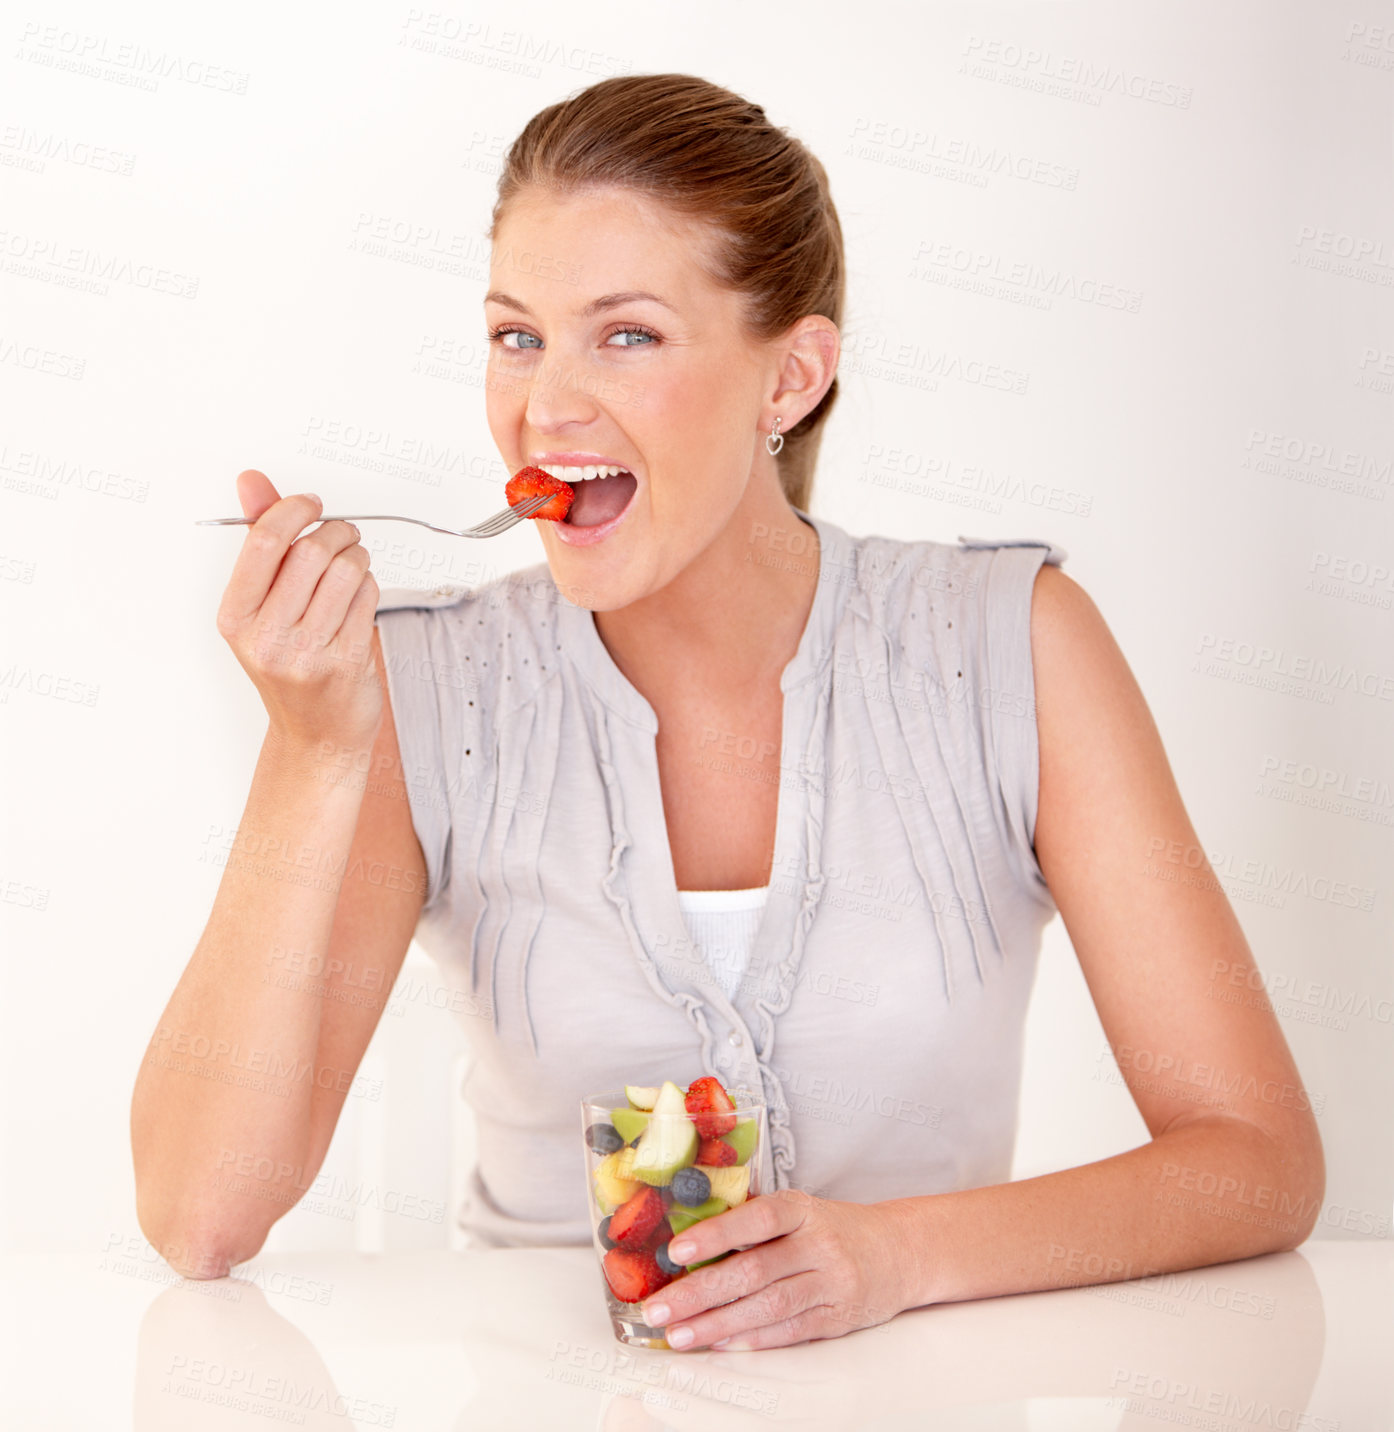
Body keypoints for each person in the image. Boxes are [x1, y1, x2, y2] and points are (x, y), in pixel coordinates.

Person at [131, 73, 1324, 1353]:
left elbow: (1251, 1158)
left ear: (790, 378)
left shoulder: (1011, 647)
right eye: (516, 335)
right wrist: (313, 750)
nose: (545, 405)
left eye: (627, 335)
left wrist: (896, 1255)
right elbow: (199, 1216)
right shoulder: (421, 689)